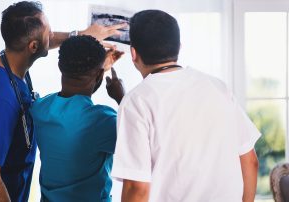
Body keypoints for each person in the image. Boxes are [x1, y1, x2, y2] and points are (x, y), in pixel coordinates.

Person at [0, 1, 126, 201]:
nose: (53, 36)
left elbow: (43, 44)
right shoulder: (1, 99)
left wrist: (80, 37)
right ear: (33, 46)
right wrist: (120, 94)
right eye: (49, 33)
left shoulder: (3, 65)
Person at [111, 10, 260, 202]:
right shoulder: (218, 87)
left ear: (133, 53)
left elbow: (136, 188)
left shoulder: (136, 101)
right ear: (179, 47)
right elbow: (250, 161)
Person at [30, 35, 125, 202]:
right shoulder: (103, 121)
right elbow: (141, 143)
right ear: (99, 75)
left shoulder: (39, 108)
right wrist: (122, 99)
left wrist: (98, 71)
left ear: (60, 66)